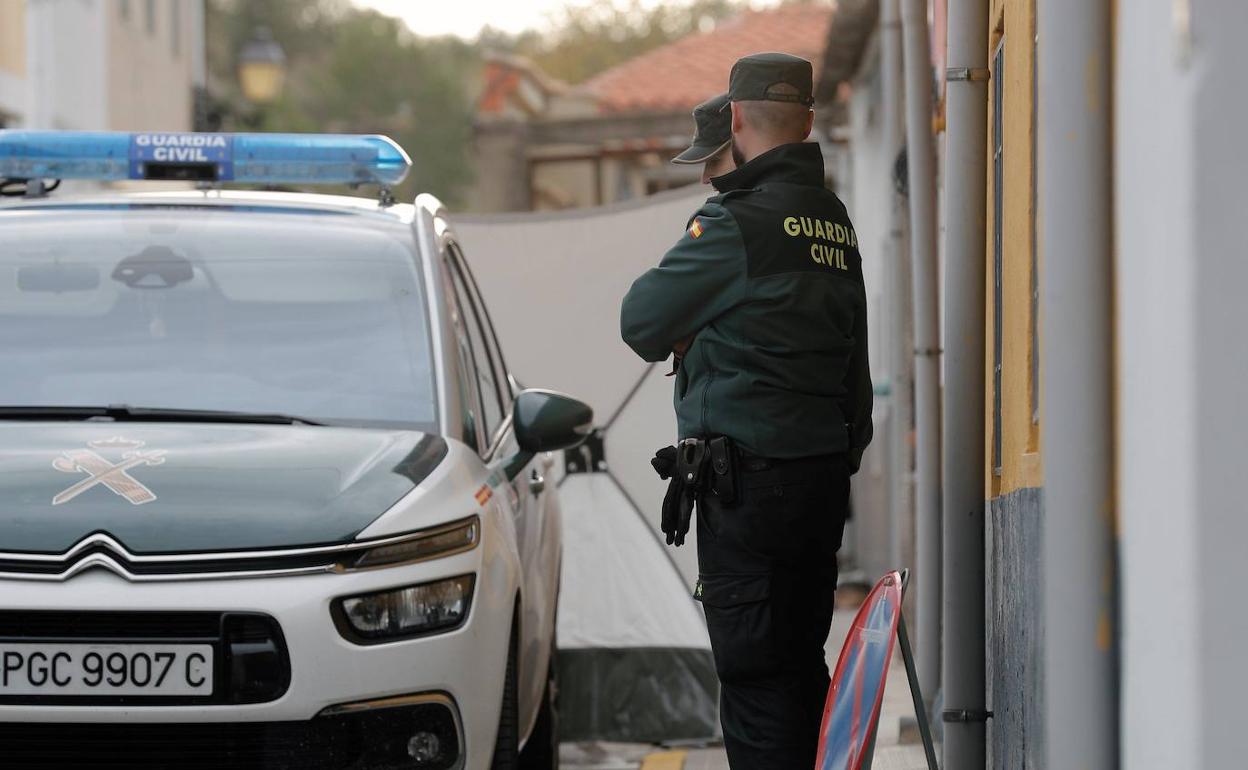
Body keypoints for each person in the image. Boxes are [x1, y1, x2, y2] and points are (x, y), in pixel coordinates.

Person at [619, 52, 873, 768]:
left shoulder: (736, 222)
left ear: (734, 119)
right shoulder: (833, 221)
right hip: (820, 481)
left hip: (750, 489)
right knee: (798, 670)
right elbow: (854, 361)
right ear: (811, 120)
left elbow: (639, 321)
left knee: (757, 680)